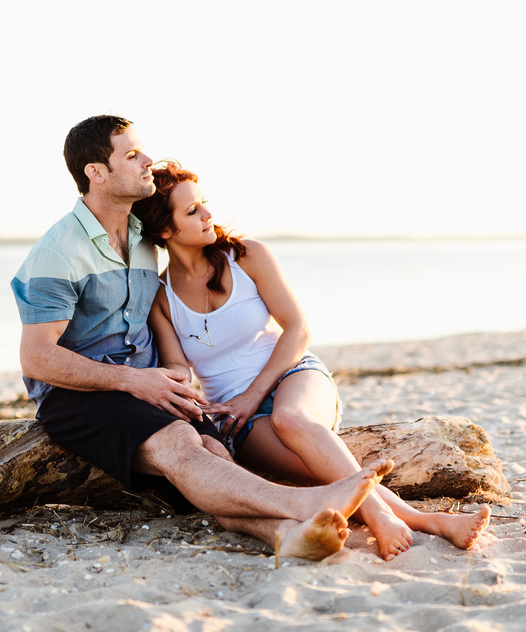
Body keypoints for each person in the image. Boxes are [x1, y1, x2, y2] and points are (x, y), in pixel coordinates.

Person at [11, 115, 395, 561]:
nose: (147, 162)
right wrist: (136, 382)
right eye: (132, 155)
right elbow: (35, 358)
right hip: (78, 394)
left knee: (216, 457)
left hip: (144, 386)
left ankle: (285, 535)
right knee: (179, 445)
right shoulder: (58, 252)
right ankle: (302, 503)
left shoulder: (140, 238)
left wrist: (171, 378)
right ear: (95, 173)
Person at [134, 160, 492, 561]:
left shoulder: (246, 256)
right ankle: (433, 522)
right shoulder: (161, 298)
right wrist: (176, 390)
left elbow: (298, 328)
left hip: (294, 375)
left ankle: (378, 520)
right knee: (319, 475)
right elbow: (179, 367)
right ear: (166, 230)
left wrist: (254, 394)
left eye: (204, 204)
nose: (208, 215)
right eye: (192, 211)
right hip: (239, 418)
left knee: (292, 420)